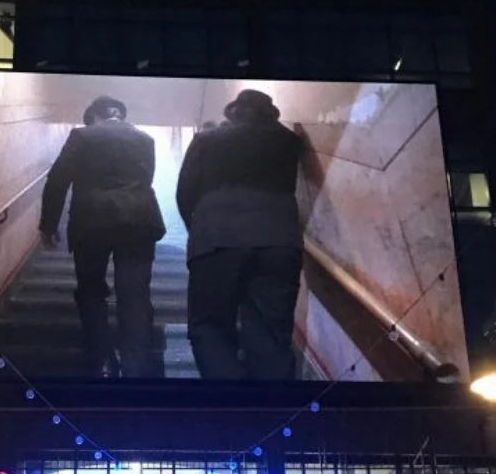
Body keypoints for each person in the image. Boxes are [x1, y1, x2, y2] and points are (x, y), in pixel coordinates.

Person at [176, 89, 303, 379]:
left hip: (217, 240)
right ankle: (272, 413)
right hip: (280, 242)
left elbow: (185, 193)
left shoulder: (207, 140)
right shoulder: (289, 141)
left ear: (232, 112)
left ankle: (231, 407)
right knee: (270, 335)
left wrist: (196, 230)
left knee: (210, 328)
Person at [39, 95, 166, 378]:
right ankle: (137, 367)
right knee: (134, 294)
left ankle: (102, 361)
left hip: (91, 222)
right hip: (138, 221)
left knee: (92, 291)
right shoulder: (145, 139)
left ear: (94, 116)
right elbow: (147, 180)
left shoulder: (82, 137)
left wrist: (48, 225)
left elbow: (57, 180)